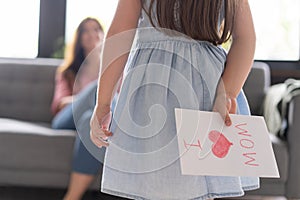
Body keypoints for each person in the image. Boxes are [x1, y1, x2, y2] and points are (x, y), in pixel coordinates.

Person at [90, 0, 257, 199]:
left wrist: (103, 103)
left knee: (155, 186)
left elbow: (120, 33)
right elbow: (246, 38)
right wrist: (226, 93)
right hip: (204, 85)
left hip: (154, 86)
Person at [50, 17, 105, 200]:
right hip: (64, 120)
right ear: (79, 38)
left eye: (96, 29)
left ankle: (71, 197)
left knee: (89, 119)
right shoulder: (68, 71)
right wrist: (86, 97)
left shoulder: (110, 68)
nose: (92, 34)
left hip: (90, 120)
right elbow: (60, 103)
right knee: (99, 88)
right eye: (86, 31)